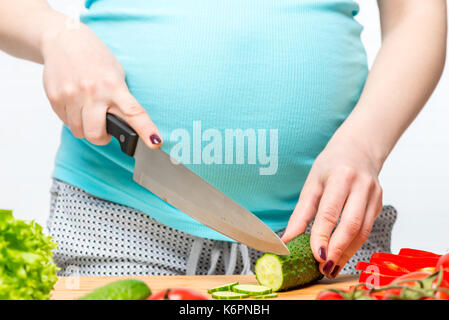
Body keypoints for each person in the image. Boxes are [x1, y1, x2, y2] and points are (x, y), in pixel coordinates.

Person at [0, 0, 446, 278]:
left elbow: (417, 11)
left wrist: (364, 144)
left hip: (322, 233)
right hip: (121, 217)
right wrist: (55, 35)